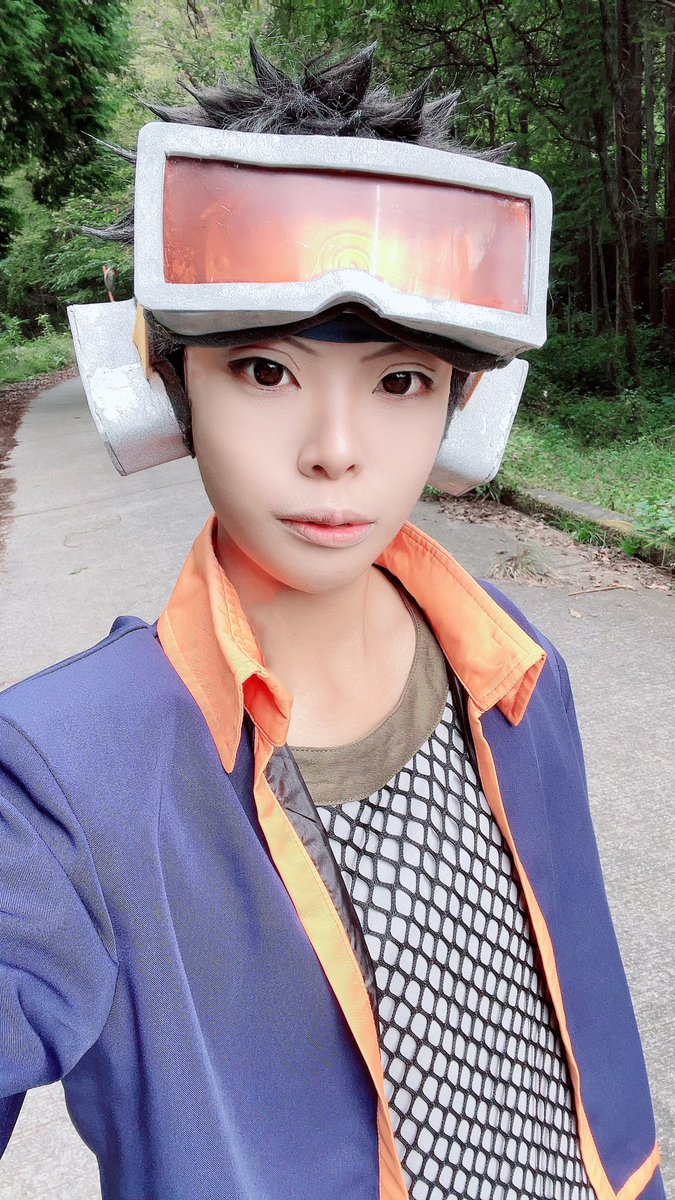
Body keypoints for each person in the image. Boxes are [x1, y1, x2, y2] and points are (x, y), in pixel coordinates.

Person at [0, 42, 664, 1200]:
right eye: (265, 370)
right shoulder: (61, 783)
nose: (336, 451)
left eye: (401, 381)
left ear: (467, 407)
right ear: (164, 381)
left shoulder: (514, 666)